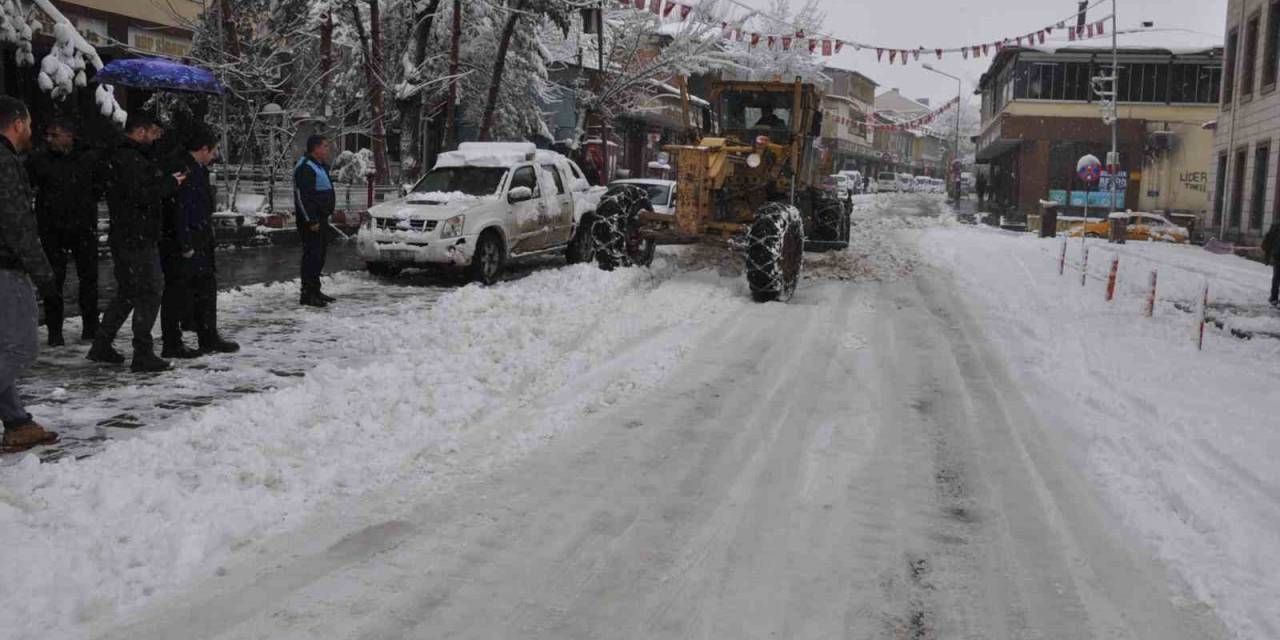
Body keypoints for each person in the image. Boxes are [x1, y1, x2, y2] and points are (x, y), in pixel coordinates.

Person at [88, 113, 185, 373]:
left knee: (128, 292)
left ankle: (101, 343)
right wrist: (169, 184)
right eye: (153, 133)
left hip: (128, 235)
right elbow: (141, 195)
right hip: (137, 237)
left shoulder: (125, 155)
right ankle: (142, 352)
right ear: (140, 132)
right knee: (150, 291)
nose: (156, 138)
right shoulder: (129, 159)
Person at [0, 97, 60, 452]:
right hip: (5, 268)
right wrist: (43, 274)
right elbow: (18, 224)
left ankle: (17, 422)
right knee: (20, 348)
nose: (32, 132)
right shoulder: (6, 163)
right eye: (31, 124)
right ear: (18, 123)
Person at [159, 125, 239, 358]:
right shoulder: (181, 168)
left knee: (205, 289)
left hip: (200, 238)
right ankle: (172, 343)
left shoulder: (198, 169)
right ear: (203, 149)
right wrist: (185, 243)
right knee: (177, 292)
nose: (215, 156)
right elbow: (179, 209)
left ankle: (208, 336)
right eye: (213, 150)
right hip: (183, 242)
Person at [26, 119, 103, 347]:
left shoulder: (88, 157)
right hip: (53, 227)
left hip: (83, 226)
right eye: (47, 135)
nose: (49, 139)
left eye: (54, 134)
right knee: (53, 279)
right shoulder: (40, 160)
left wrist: (85, 202)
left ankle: (91, 326)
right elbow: (28, 183)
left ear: (69, 136)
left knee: (88, 278)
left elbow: (99, 185)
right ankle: (54, 330)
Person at [294, 134, 336, 308]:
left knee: (320, 256)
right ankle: (307, 294)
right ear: (316, 148)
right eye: (325, 146)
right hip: (311, 221)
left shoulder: (320, 166)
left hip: (322, 218)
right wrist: (311, 220)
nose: (328, 149)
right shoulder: (305, 167)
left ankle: (315, 290)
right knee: (311, 256)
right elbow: (303, 197)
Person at [1264, 221, 1280, 307]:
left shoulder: (1275, 226)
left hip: (1277, 256)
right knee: (1276, 278)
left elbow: (1268, 240)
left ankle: (1274, 298)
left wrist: (1267, 256)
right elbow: (1268, 240)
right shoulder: (1275, 227)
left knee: (1276, 278)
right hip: (1278, 256)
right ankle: (1274, 298)